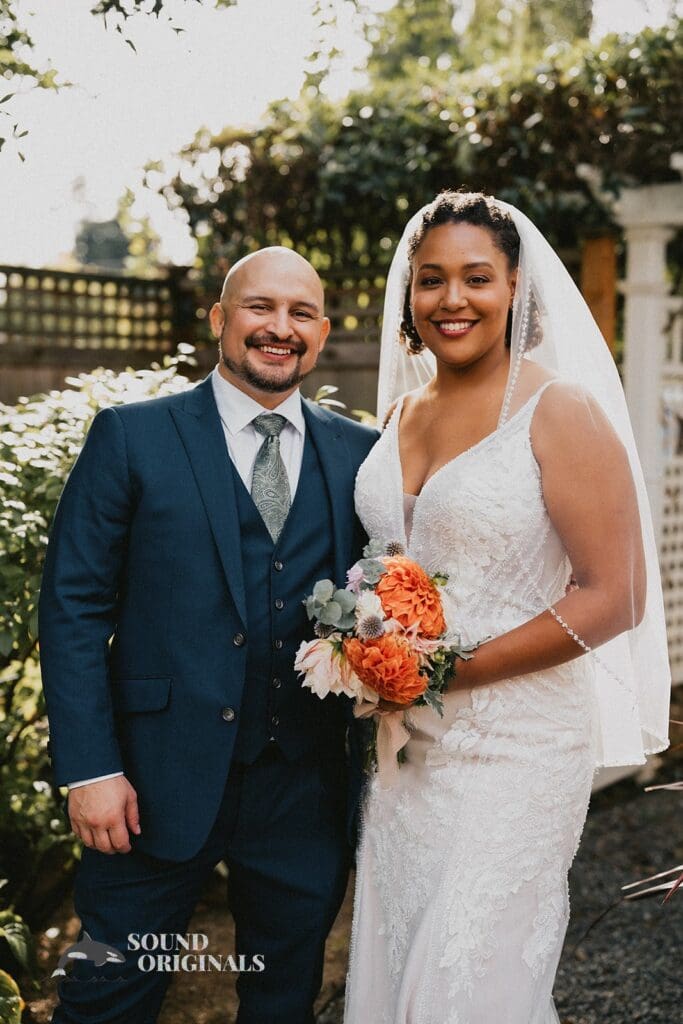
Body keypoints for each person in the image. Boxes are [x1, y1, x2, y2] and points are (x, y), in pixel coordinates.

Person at [344, 191, 671, 1023]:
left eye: (475, 278)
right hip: (405, 750)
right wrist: (363, 652)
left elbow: (616, 595)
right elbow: (391, 573)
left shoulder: (558, 409)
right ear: (409, 297)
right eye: (431, 280)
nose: (451, 299)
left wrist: (446, 671)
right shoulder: (397, 414)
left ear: (516, 287)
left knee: (468, 981)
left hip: (516, 748)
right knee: (399, 960)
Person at [39, 246, 378, 1024]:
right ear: (221, 319)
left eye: (299, 314)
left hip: (302, 787)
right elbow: (73, 605)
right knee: (107, 993)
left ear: (320, 334)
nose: (279, 328)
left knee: (282, 1000)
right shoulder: (131, 436)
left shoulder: (359, 453)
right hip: (147, 786)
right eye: (260, 307)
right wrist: (89, 768)